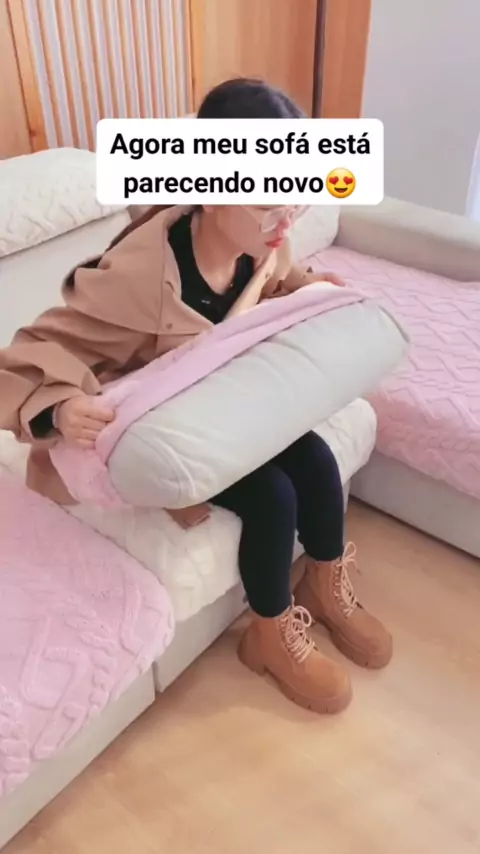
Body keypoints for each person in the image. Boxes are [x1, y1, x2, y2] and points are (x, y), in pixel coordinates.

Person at [0, 77, 392, 715]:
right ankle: (268, 634)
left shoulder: (263, 239)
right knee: (272, 495)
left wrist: (310, 286)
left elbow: (276, 282)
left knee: (317, 461)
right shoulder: (137, 277)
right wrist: (64, 406)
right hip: (162, 427)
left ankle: (324, 585)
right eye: (268, 195)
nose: (285, 213)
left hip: (225, 403)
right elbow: (31, 354)